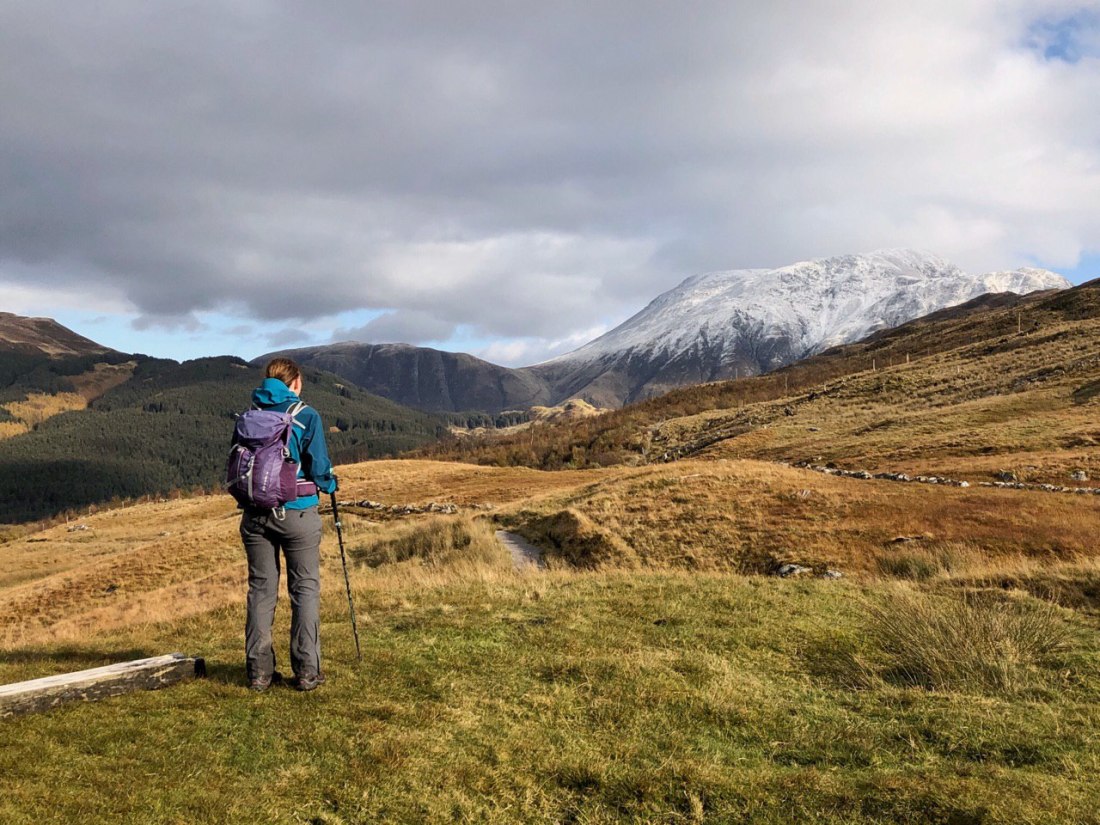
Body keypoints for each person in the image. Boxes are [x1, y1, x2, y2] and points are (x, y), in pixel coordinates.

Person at [239, 357, 337, 692]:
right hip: (297, 513)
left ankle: (259, 673)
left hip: (254, 515)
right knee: (304, 589)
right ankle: (307, 671)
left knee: (261, 591)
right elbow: (320, 467)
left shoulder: (250, 417)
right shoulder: (306, 415)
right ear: (294, 381)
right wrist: (329, 483)